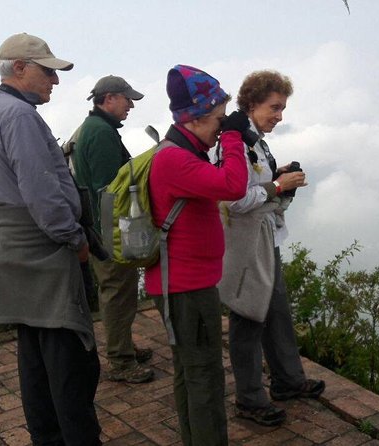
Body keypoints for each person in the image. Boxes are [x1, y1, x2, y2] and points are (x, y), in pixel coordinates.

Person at [0, 33, 101, 445]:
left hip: (13, 250)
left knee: (36, 365)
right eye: (48, 72)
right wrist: (75, 240)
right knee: (71, 368)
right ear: (20, 68)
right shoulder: (20, 116)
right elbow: (43, 194)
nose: (55, 82)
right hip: (47, 249)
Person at [144, 64, 249, 446]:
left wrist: (227, 135)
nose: (221, 127)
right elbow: (233, 185)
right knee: (203, 376)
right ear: (197, 118)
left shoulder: (185, 152)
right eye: (218, 120)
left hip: (185, 283)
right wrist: (235, 137)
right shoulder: (175, 159)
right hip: (186, 288)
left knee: (191, 373)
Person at [218, 70, 325, 427]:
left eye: (282, 108)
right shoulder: (232, 143)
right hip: (246, 245)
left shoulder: (256, 140)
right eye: (274, 107)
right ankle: (249, 398)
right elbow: (233, 200)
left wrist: (280, 181)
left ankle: (287, 381)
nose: (279, 116)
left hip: (266, 239)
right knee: (248, 318)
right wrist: (278, 186)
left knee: (276, 311)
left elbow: (259, 188)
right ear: (251, 103)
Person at [72, 75, 155, 383]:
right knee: (118, 291)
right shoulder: (101, 133)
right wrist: (116, 236)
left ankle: (124, 345)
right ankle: (121, 360)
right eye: (126, 99)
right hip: (109, 229)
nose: (130, 105)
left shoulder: (95, 128)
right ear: (108, 99)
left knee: (119, 289)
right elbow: (110, 188)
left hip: (102, 226)